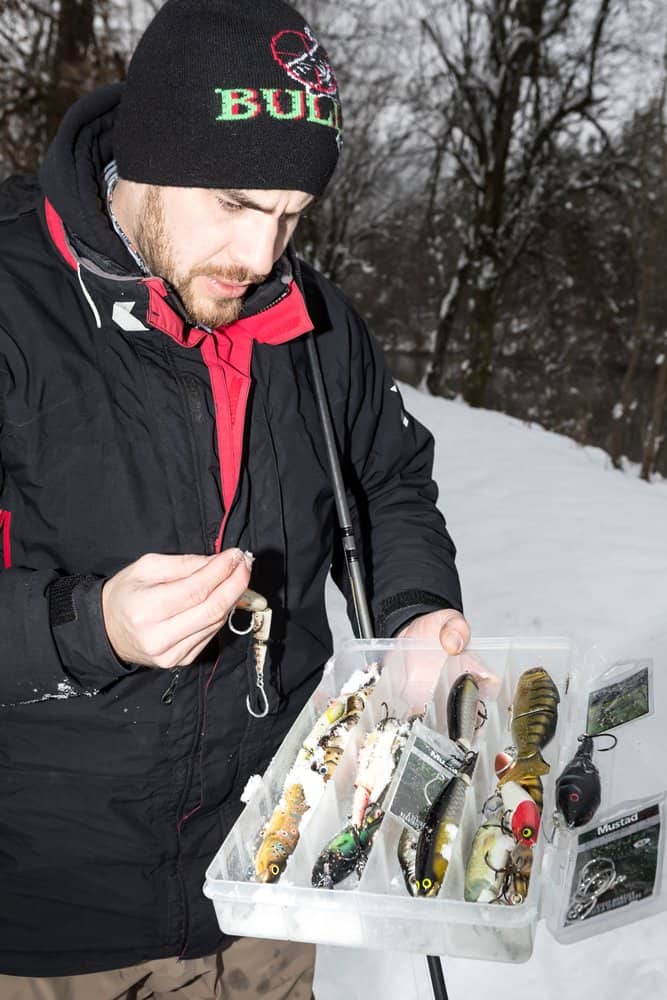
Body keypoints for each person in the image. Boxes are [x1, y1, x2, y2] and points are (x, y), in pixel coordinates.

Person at [0, 0, 470, 996]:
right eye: (234, 204)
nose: (260, 257)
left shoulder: (315, 324)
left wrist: (416, 610)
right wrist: (88, 626)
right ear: (147, 156)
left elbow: (387, 479)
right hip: (47, 921)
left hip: (266, 884)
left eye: (291, 216)